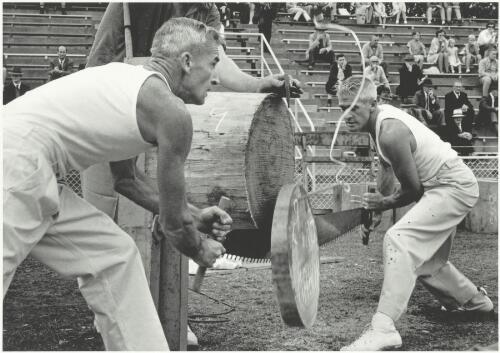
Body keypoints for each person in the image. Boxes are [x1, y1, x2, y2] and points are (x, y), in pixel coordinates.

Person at [3, 18, 234, 351]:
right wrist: (199, 247)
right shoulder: (171, 112)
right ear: (186, 61)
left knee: (114, 256)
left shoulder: (133, 86)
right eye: (213, 64)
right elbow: (172, 225)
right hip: (16, 160)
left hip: (34, 169)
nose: (215, 77)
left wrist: (195, 216)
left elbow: (127, 181)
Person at [81, 3, 302, 347]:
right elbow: (95, 64)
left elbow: (216, 60)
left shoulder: (205, 8)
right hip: (112, 112)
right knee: (110, 228)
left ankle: (166, 314)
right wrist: (126, 83)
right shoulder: (128, 5)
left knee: (164, 217)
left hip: (162, 114)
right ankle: (118, 316)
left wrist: (258, 84)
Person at [337, 75, 494, 351]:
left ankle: (383, 328)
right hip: (442, 185)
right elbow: (387, 168)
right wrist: (376, 208)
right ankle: (476, 303)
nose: (346, 116)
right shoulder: (378, 127)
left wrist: (382, 205)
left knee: (400, 240)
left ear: (373, 104)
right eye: (341, 108)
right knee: (428, 262)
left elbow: (412, 190)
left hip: (453, 184)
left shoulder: (391, 132)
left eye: (353, 108)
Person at [444, 81, 475, 155]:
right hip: (452, 114)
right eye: (457, 86)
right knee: (450, 114)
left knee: (471, 111)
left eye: (460, 87)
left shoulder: (464, 95)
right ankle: (460, 133)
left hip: (462, 115)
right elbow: (448, 108)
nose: (458, 88)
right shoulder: (448, 96)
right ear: (453, 87)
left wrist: (467, 106)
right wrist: (460, 108)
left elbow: (469, 105)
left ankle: (467, 131)